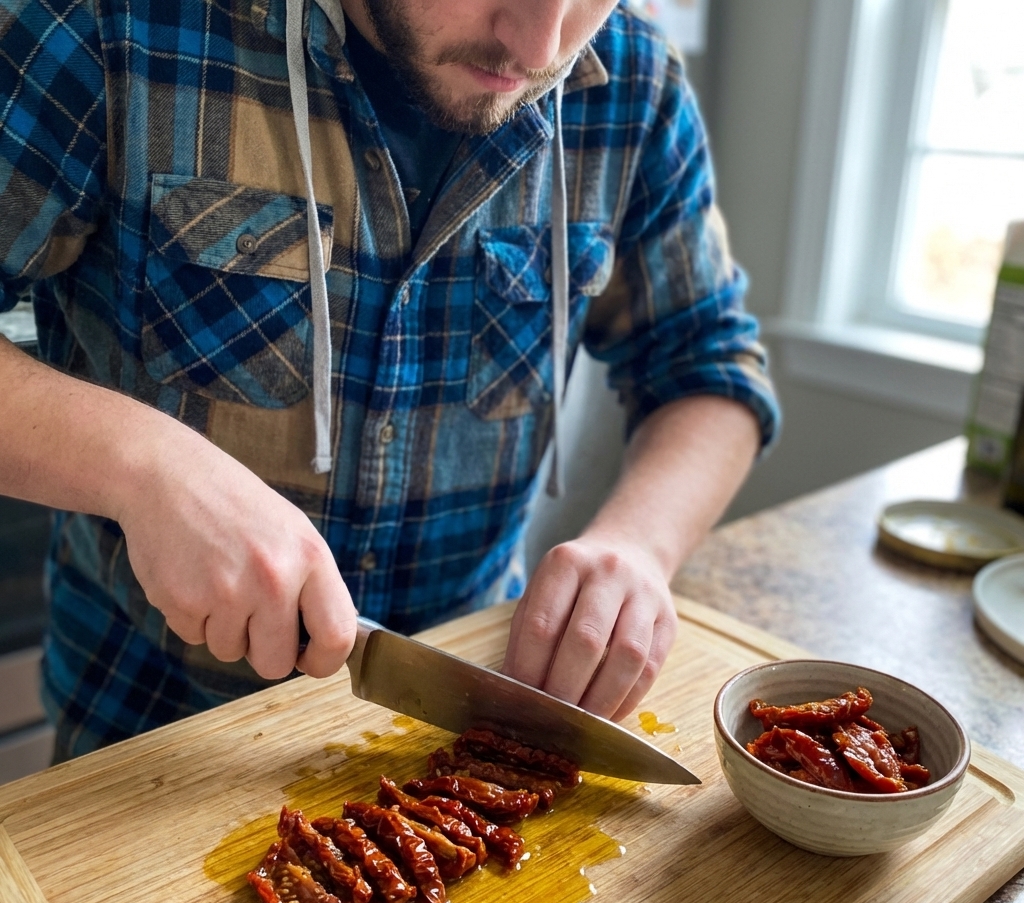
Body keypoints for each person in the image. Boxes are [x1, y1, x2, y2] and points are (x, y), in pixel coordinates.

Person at [0, 0, 779, 761]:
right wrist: (142, 466)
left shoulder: (637, 82)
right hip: (149, 732)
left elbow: (709, 363)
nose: (538, 44)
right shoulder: (98, 25)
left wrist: (639, 546)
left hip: (467, 728)